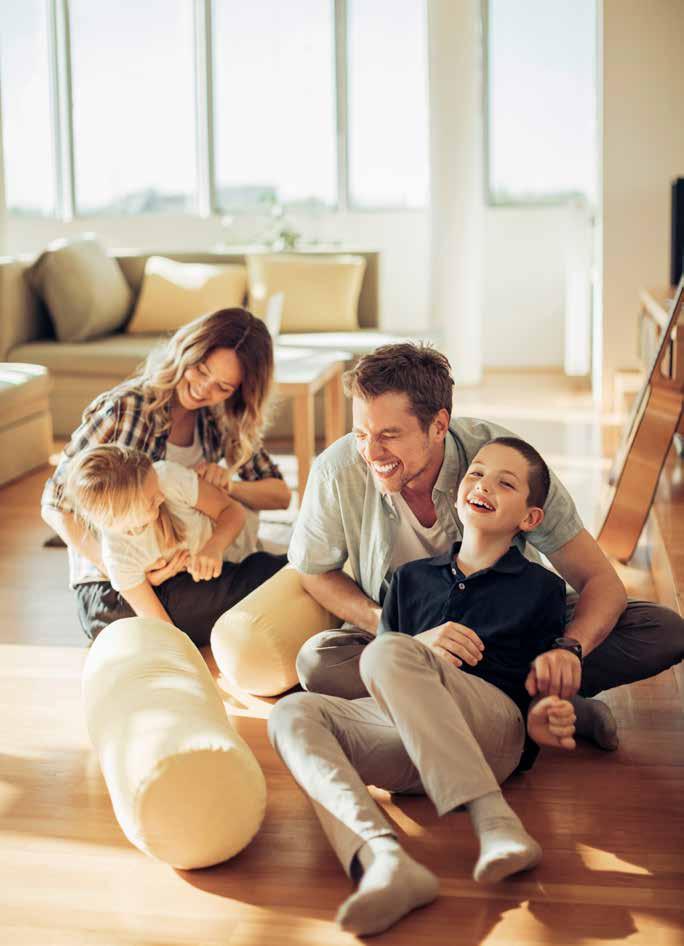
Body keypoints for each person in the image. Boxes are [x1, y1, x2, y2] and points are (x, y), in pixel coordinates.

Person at [290, 342, 683, 745]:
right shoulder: (337, 471)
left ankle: (468, 705)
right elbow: (314, 572)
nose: (370, 453)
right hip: (408, 631)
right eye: (361, 434)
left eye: (389, 435)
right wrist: (402, 640)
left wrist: (568, 650)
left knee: (663, 631)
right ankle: (540, 709)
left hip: (511, 630)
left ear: (439, 425)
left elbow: (599, 580)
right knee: (318, 662)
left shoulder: (503, 461)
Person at [269, 436, 578, 936]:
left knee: (386, 650)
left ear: (530, 518)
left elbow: (539, 682)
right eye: (476, 474)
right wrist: (417, 647)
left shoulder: (541, 588)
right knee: (291, 713)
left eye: (505, 483)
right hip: (407, 742)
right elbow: (384, 678)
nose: (484, 486)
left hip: (492, 733)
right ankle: (384, 861)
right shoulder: (408, 580)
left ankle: (495, 822)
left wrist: (545, 714)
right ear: (457, 492)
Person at [42, 307, 290, 645]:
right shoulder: (125, 408)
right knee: (271, 584)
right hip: (113, 585)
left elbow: (279, 494)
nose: (203, 389)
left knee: (260, 582)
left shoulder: (218, 418)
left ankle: (281, 578)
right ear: (186, 351)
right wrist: (122, 570)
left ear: (238, 391)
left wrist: (228, 486)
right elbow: (54, 503)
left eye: (222, 387)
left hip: (184, 572)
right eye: (201, 370)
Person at [65, 444, 256, 623]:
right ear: (118, 519)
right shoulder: (118, 557)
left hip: (239, 557)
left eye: (156, 485)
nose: (162, 496)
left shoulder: (166, 476)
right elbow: (160, 623)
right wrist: (152, 582)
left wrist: (214, 547)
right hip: (193, 584)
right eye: (150, 501)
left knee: (261, 573)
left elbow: (233, 511)